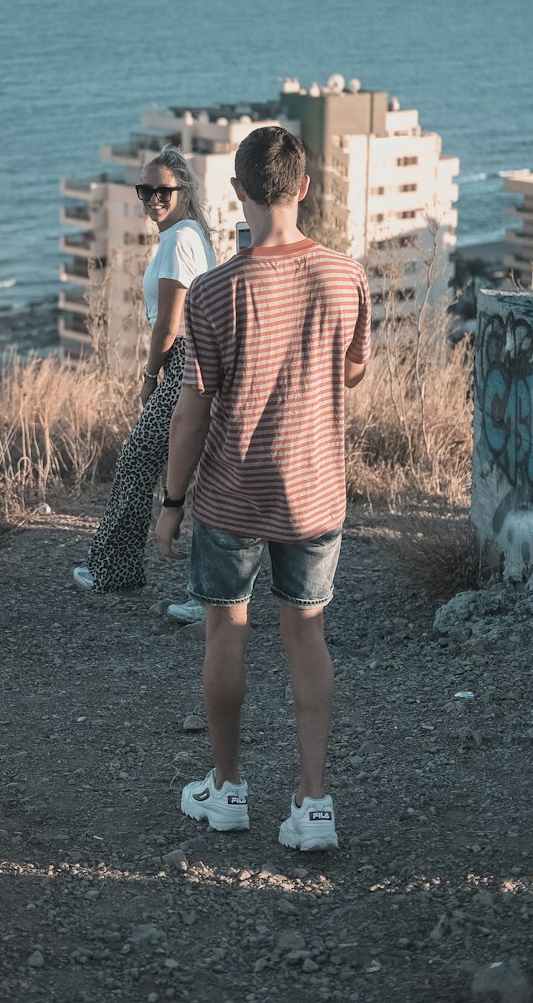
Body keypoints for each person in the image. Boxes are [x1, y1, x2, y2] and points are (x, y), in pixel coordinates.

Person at [155, 125, 370, 850]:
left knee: (227, 629)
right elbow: (352, 370)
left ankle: (227, 788)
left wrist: (171, 502)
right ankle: (314, 803)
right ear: (304, 186)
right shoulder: (349, 275)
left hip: (231, 493)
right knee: (306, 632)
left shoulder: (214, 291)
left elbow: (191, 411)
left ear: (238, 192)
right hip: (314, 491)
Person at [73, 147, 216, 595]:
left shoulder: (178, 241)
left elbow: (170, 325)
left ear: (184, 191)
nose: (153, 198)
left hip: (181, 364)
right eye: (145, 189)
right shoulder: (187, 235)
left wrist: (150, 374)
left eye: (162, 190)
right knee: (175, 465)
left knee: (137, 462)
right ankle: (127, 571)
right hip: (193, 362)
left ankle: (113, 572)